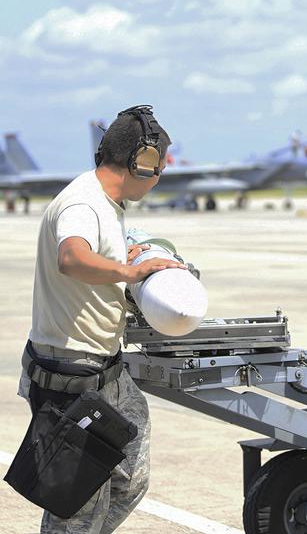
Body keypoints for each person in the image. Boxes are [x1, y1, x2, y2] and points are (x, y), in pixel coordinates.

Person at [17, 105, 186, 532]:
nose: (160, 175)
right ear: (141, 162)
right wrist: (132, 272)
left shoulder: (107, 203)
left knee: (130, 478)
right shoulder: (83, 204)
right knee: (75, 508)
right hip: (72, 377)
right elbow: (72, 258)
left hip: (105, 372)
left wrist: (121, 259)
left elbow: (92, 256)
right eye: (159, 166)